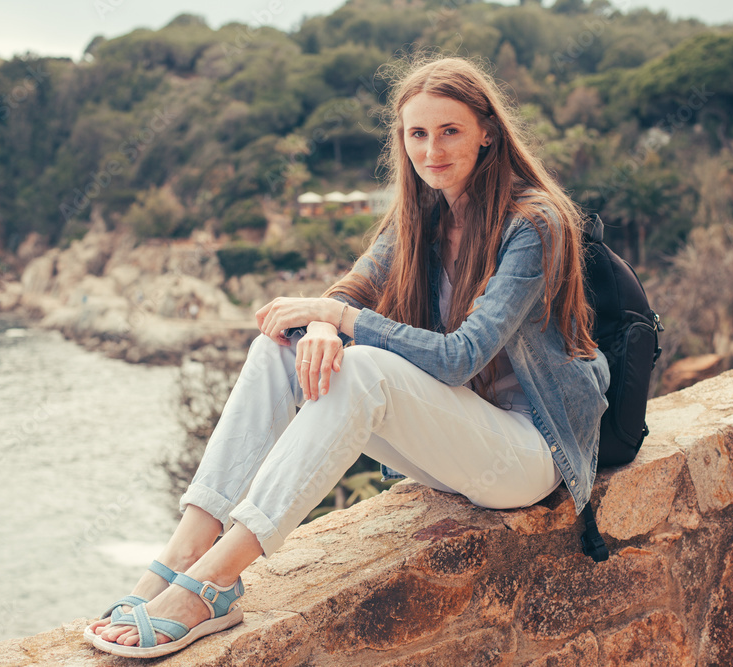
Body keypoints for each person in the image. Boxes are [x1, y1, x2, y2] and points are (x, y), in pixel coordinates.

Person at [85, 56, 610, 659]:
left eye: (450, 131)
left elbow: (460, 357)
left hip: (530, 453)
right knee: (280, 346)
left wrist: (342, 321)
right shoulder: (421, 215)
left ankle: (214, 581)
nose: (432, 150)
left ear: (488, 131)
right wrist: (325, 323)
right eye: (418, 134)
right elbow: (350, 291)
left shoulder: (532, 222)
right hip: (460, 437)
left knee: (361, 369)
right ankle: (183, 553)